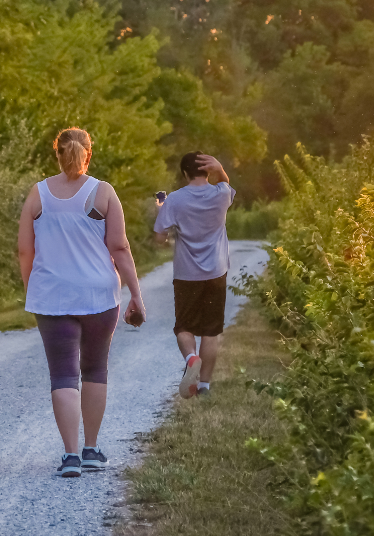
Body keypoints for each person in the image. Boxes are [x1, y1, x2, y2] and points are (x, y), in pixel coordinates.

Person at [18, 127, 147, 478]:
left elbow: (24, 250)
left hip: (52, 296)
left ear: (57, 154)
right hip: (98, 296)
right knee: (94, 369)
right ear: (88, 153)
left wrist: (34, 286)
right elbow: (119, 247)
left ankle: (70, 455)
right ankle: (91, 449)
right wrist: (135, 293)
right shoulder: (103, 193)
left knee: (63, 374)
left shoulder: (38, 194)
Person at [153, 152, 234, 398]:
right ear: (207, 171)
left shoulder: (174, 200)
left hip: (187, 274)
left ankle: (191, 358)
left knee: (184, 326)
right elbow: (227, 184)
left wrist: (162, 209)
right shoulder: (221, 194)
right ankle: (205, 386)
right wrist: (220, 168)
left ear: (184, 173)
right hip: (216, 272)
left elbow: (159, 239)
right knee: (211, 331)